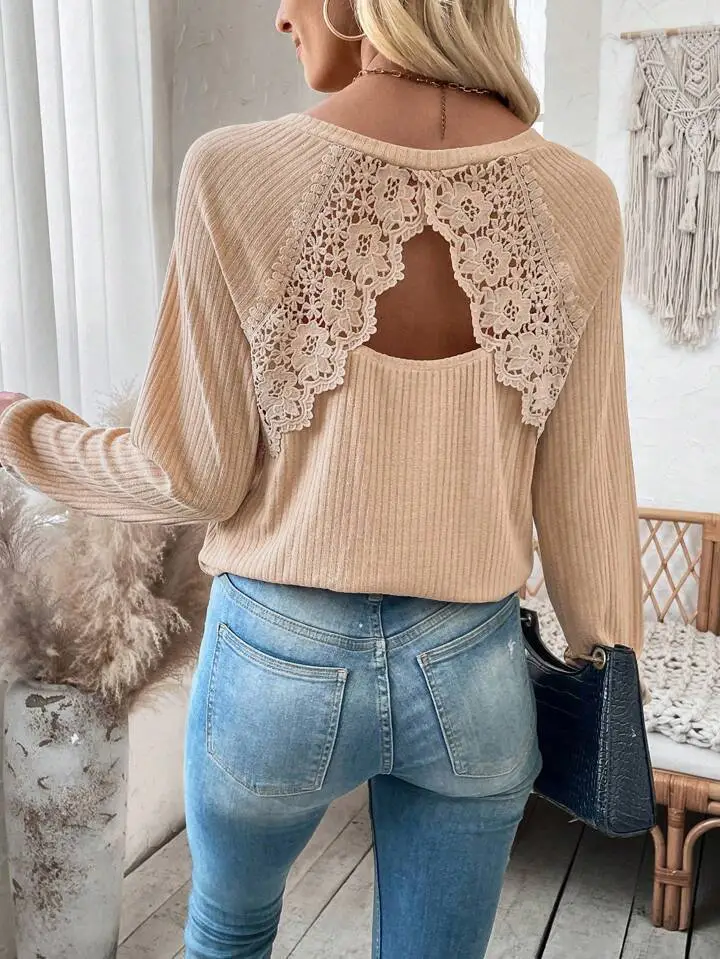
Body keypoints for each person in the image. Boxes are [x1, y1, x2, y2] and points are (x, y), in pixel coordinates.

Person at [0, 1, 644, 956]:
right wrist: (607, 668)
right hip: (471, 673)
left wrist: (27, 431)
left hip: (273, 666)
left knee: (228, 933)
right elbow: (587, 498)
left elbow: (190, 476)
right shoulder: (580, 196)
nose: (279, 16)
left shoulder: (231, 169)